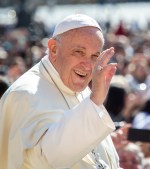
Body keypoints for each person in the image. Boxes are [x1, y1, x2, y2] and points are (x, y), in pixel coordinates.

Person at [0, 14, 122, 168]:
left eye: (94, 56)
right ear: (54, 49)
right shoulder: (25, 94)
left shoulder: (81, 91)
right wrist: (94, 102)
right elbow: (42, 161)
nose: (88, 66)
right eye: (79, 52)